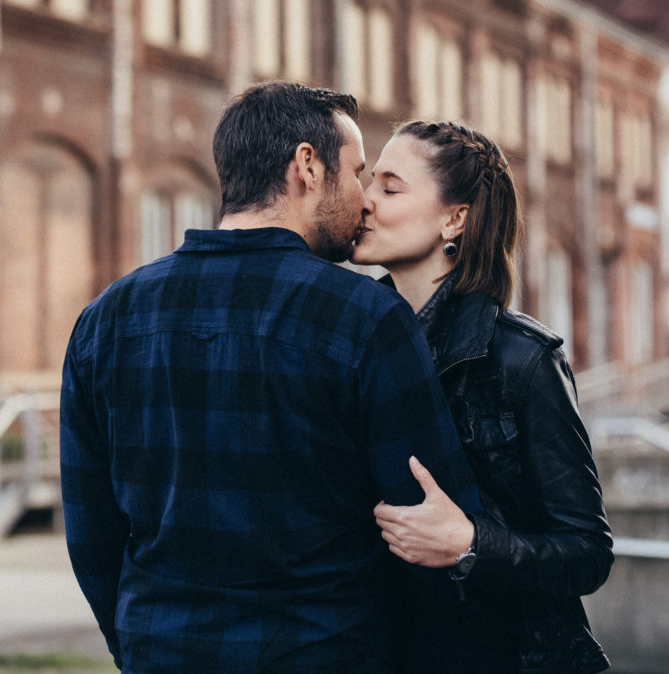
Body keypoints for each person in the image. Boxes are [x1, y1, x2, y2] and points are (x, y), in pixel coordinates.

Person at [59, 82, 481, 673]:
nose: (363, 199)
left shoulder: (104, 321)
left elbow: (91, 535)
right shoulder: (365, 318)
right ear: (307, 166)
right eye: (358, 172)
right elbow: (426, 529)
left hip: (162, 653)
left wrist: (138, 645)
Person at [351, 119, 613, 673]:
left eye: (389, 187)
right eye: (368, 182)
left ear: (455, 218)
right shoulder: (352, 345)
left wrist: (471, 544)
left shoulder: (521, 360)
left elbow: (587, 552)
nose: (364, 201)